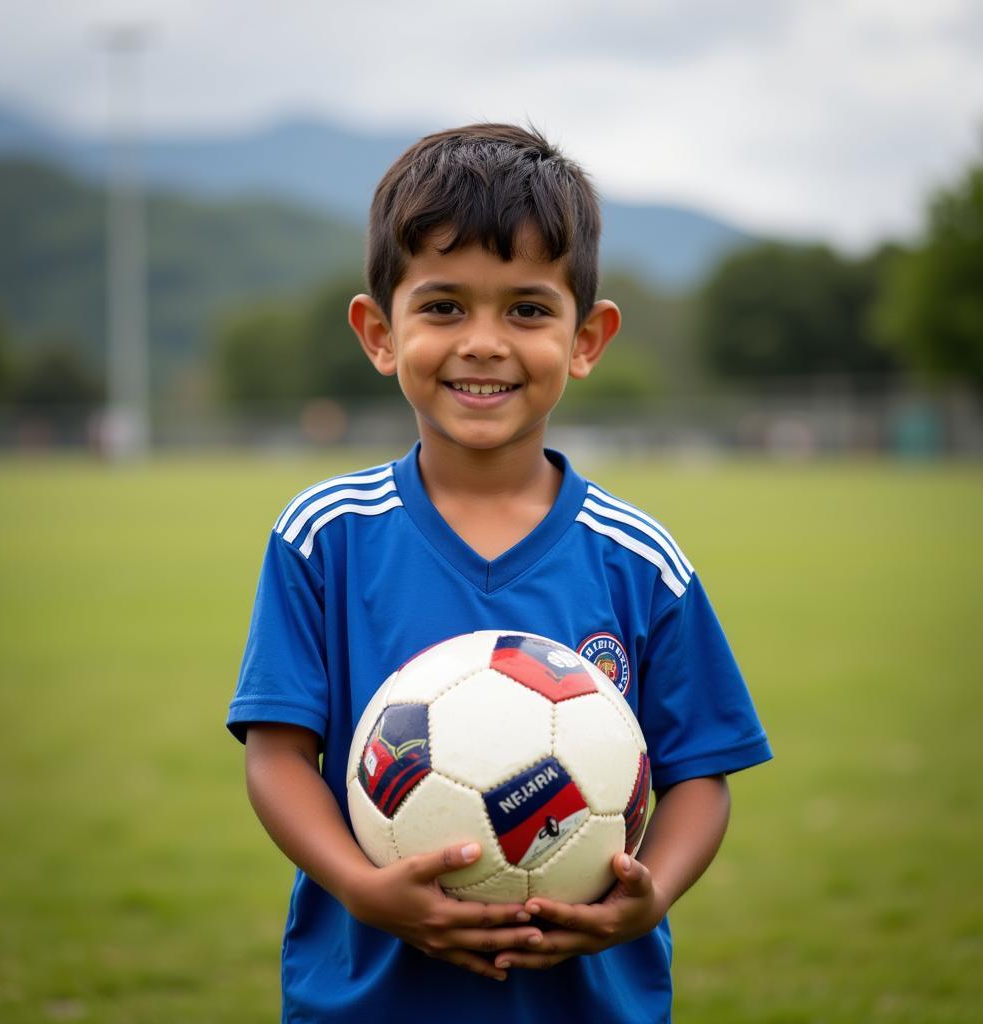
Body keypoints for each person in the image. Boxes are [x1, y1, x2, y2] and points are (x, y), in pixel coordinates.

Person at [227, 123, 772, 1022]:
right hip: (369, 1000)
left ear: (587, 337)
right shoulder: (323, 538)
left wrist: (654, 893)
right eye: (443, 308)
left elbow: (701, 776)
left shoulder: (639, 559)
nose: (484, 342)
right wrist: (363, 889)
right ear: (380, 332)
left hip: (585, 1002)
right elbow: (278, 758)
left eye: (526, 309)